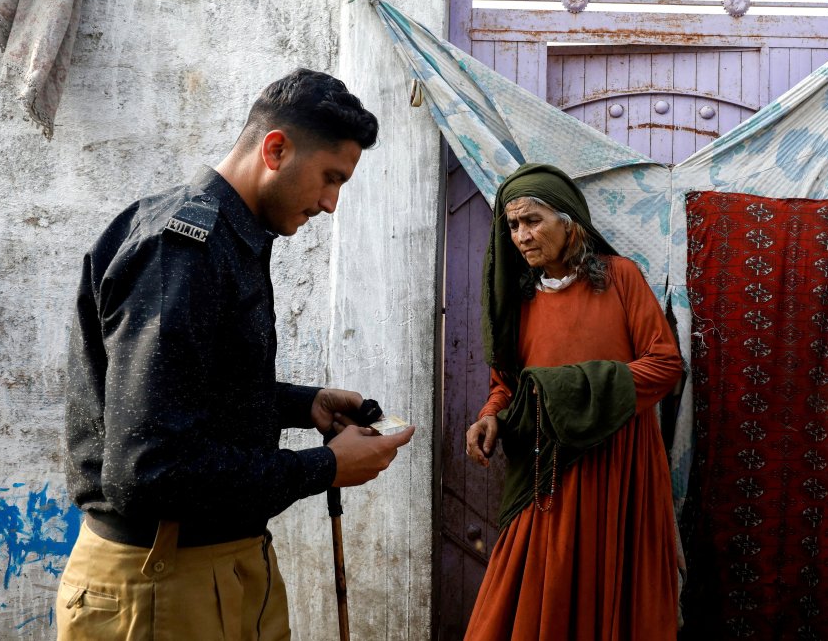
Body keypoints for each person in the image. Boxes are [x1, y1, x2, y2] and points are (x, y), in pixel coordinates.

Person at [58, 68, 415, 640]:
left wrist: (305, 406)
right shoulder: (182, 249)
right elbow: (148, 470)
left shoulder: (230, 238)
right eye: (330, 177)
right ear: (276, 148)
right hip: (165, 582)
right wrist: (324, 467)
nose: (330, 203)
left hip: (221, 566)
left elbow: (184, 393)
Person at [463, 163, 683, 640]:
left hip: (620, 464)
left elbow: (665, 365)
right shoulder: (519, 303)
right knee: (537, 585)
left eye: (533, 220)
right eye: (513, 225)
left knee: (616, 586)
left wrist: (571, 389)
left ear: (570, 222)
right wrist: (489, 417)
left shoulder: (620, 277)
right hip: (550, 470)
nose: (522, 235)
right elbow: (509, 385)